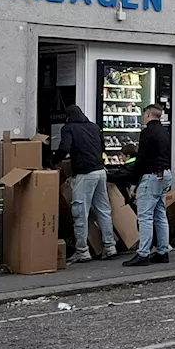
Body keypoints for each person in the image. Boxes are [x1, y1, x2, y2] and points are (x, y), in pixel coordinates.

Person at [53, 104, 117, 263]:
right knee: (103, 210)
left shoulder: (69, 128)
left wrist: (53, 161)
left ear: (68, 117)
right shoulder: (94, 127)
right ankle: (110, 247)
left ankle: (82, 251)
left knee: (79, 212)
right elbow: (103, 147)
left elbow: (64, 148)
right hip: (100, 172)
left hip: (84, 173)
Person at [124, 105, 173, 267]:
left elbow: (141, 159)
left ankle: (143, 253)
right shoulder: (165, 132)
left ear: (147, 114)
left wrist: (133, 181)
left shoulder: (147, 132)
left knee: (145, 216)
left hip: (150, 176)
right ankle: (162, 251)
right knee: (160, 215)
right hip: (164, 174)